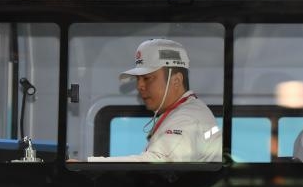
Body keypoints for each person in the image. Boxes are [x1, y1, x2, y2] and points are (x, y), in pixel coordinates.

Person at [87, 38, 222, 162]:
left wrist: (88, 165)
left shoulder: (187, 118)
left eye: (147, 78)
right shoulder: (185, 112)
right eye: (138, 79)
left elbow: (159, 163)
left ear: (176, 80)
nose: (139, 86)